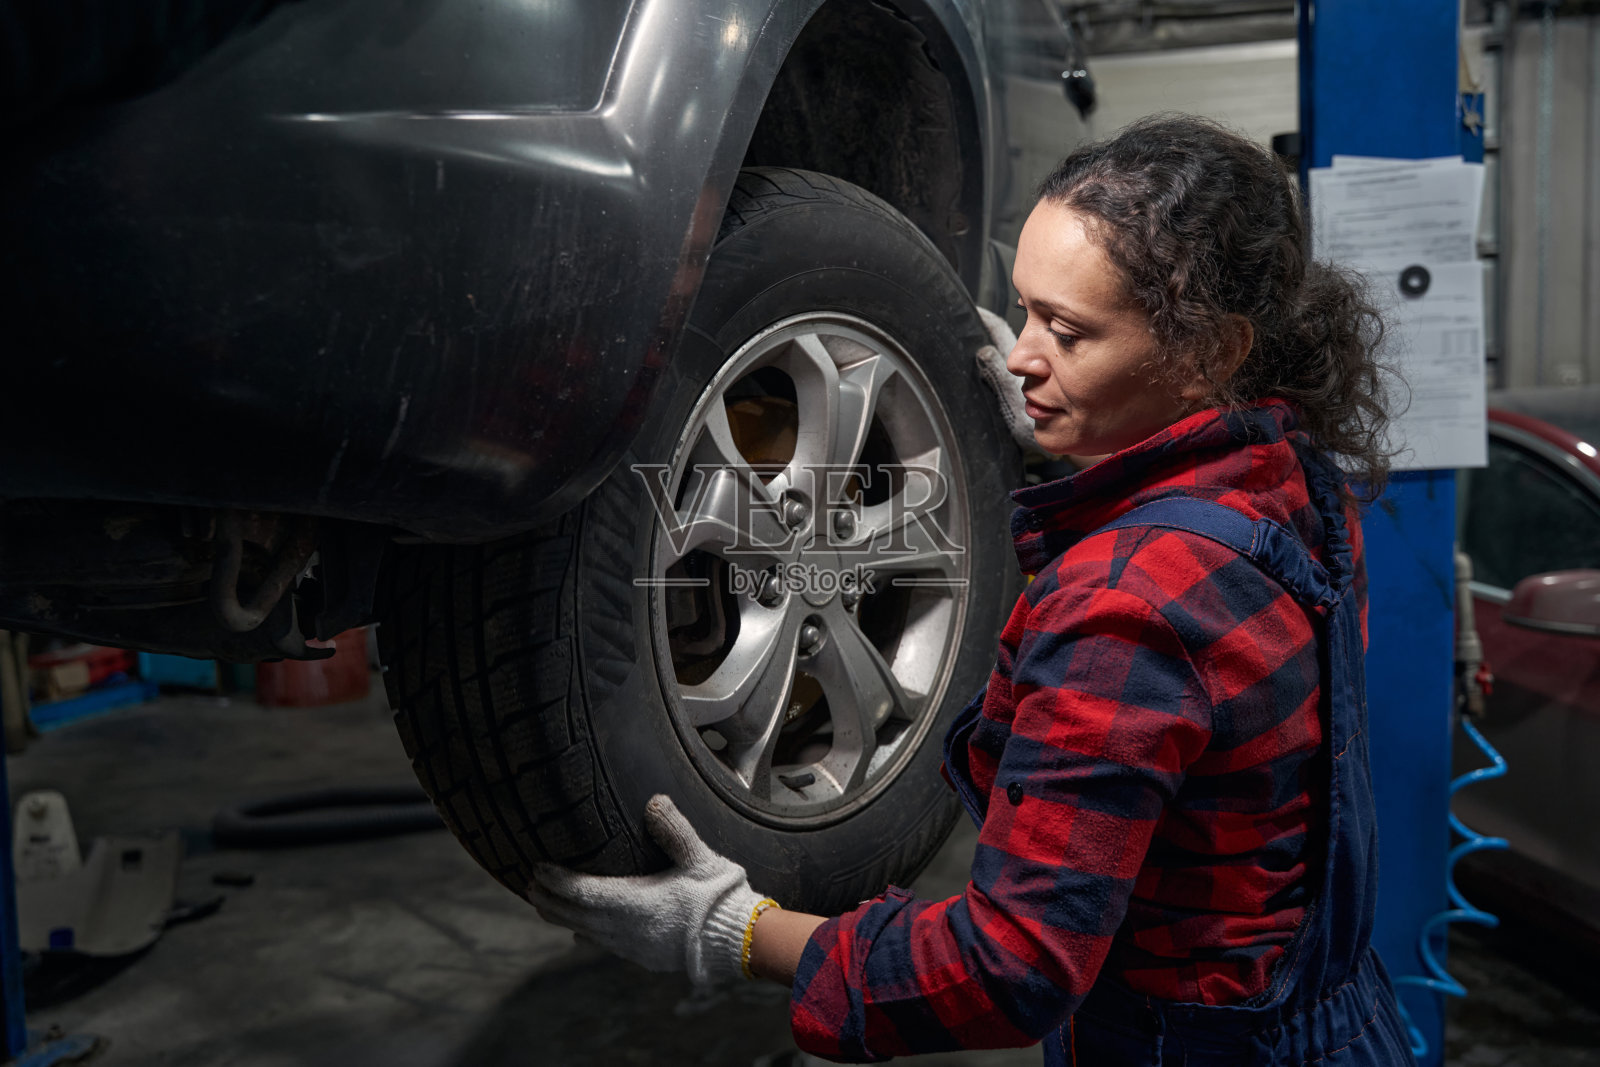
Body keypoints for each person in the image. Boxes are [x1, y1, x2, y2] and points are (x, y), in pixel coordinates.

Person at [527, 114, 1417, 1066]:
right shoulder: (1301, 483)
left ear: (1210, 354)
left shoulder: (1126, 610)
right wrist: (1097, 438)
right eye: (1027, 309)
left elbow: (1008, 965)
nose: (1024, 354)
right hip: (1347, 1024)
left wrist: (742, 931)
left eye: (1069, 333)